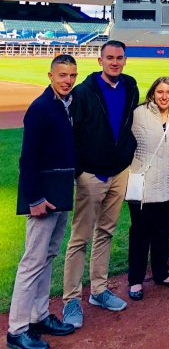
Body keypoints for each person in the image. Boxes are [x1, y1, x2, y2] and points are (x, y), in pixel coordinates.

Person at [62, 40, 139, 328]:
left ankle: (99, 290)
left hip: (119, 172)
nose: (115, 62)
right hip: (91, 176)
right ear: (100, 61)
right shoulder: (83, 92)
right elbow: (74, 134)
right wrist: (80, 171)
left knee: (106, 232)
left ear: (125, 60)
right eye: (109, 58)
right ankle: (71, 299)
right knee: (79, 239)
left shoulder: (130, 86)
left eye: (120, 58)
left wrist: (125, 157)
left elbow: (127, 125)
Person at [7, 55, 78, 349]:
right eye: (62, 75)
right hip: (43, 197)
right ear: (50, 75)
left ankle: (39, 316)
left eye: (72, 75)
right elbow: (28, 159)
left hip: (61, 192)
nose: (68, 80)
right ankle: (16, 330)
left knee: (49, 256)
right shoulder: (40, 108)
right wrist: (34, 198)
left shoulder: (68, 104)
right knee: (32, 261)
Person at [127, 77, 169, 301]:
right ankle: (135, 280)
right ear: (152, 93)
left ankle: (162, 273)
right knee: (140, 234)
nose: (164, 96)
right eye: (160, 92)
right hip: (144, 184)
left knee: (163, 233)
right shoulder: (139, 113)